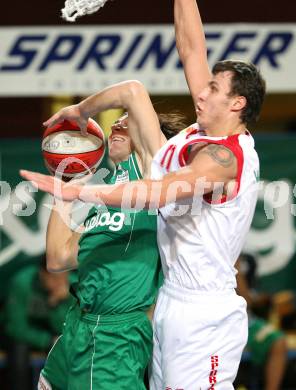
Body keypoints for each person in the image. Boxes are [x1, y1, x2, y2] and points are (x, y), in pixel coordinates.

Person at [20, 1, 266, 389]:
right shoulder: (201, 132)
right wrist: (83, 109)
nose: (201, 94)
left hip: (206, 310)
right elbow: (190, 46)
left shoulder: (226, 157)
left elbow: (156, 194)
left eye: (214, 90)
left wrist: (78, 192)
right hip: (171, 300)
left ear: (237, 104)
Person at [35, 110, 186, 390]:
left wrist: (85, 107)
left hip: (115, 335)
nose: (116, 124)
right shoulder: (102, 203)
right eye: (116, 122)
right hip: (77, 325)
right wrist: (67, 182)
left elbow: (135, 93)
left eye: (128, 121)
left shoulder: (154, 176)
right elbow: (58, 258)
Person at [5, 256, 73, 390]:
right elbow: (15, 327)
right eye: (55, 278)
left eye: (64, 277)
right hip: (24, 337)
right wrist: (47, 340)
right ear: (42, 273)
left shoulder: (70, 286)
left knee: (69, 349)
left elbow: (66, 327)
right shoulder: (23, 282)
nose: (61, 282)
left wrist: (59, 303)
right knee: (19, 351)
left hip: (52, 334)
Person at [236, 255, 287, 390]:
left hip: (246, 321)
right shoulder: (227, 256)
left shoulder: (245, 259)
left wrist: (261, 299)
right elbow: (246, 299)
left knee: (278, 341)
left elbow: (248, 300)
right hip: (219, 322)